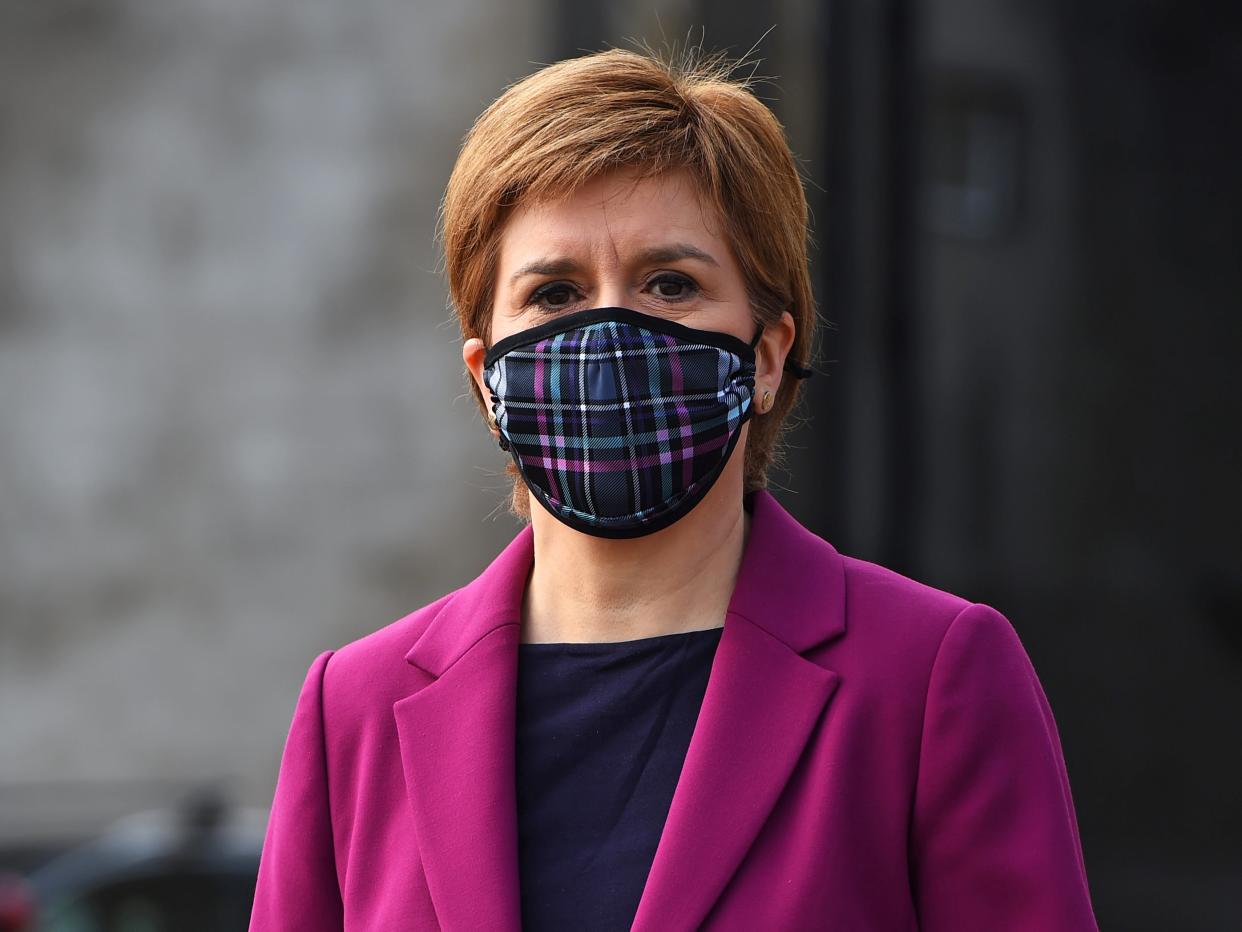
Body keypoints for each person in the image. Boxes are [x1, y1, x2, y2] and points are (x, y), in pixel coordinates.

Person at [248, 47, 1099, 931]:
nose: (612, 333)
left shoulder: (927, 680)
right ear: (484, 377)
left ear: (768, 356)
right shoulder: (355, 709)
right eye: (555, 293)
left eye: (670, 284)